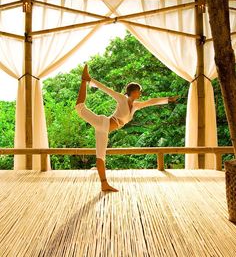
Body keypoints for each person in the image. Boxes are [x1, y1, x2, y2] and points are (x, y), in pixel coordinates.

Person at [75, 64, 178, 192]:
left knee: (100, 157)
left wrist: (168, 99)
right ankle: (84, 80)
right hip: (103, 123)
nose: (140, 93)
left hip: (104, 129)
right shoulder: (122, 98)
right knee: (79, 108)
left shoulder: (135, 106)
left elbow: (151, 101)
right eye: (139, 91)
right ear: (134, 91)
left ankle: (104, 184)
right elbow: (107, 89)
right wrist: (91, 80)